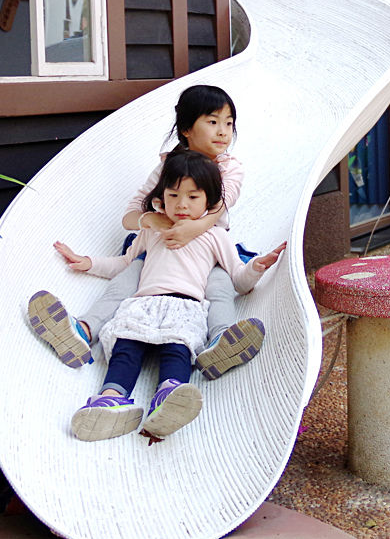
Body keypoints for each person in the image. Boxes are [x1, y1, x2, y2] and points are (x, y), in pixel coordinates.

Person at [27, 84, 266, 380]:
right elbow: (130, 216)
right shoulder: (167, 167)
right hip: (161, 244)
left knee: (219, 287)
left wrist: (192, 229)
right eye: (213, 121)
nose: (223, 132)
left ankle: (220, 340)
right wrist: (151, 222)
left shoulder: (230, 168)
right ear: (187, 129)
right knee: (126, 280)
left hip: (209, 249)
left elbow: (219, 207)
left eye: (229, 124)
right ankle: (82, 330)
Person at [52, 149, 286, 441]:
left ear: (210, 203)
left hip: (185, 308)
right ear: (161, 198)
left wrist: (257, 267)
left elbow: (238, 280)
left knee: (178, 350)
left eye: (192, 196)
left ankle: (169, 398)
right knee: (125, 349)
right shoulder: (152, 230)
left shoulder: (215, 236)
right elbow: (125, 263)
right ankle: (110, 399)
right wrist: (88, 262)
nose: (182, 205)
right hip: (142, 305)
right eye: (173, 196)